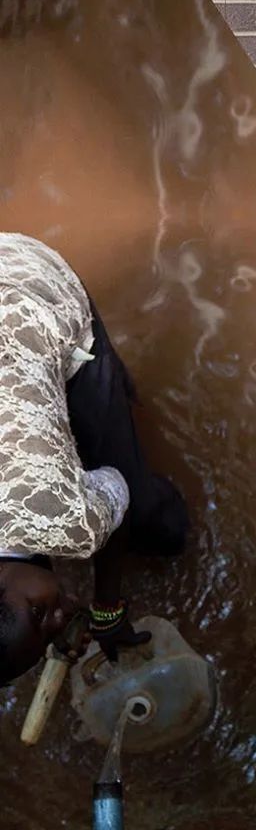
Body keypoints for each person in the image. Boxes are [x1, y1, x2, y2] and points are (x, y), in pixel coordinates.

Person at [0, 233, 188, 683]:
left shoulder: (63, 519)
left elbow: (116, 484)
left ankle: (109, 379)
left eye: (41, 612)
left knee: (152, 519)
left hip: (27, 286)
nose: (60, 619)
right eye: (51, 635)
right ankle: (111, 387)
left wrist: (106, 608)